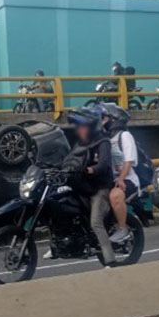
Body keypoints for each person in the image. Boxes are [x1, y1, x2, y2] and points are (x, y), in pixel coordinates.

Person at [68, 107, 117, 266]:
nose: (78, 130)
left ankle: (110, 259)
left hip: (99, 189)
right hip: (82, 187)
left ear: (91, 127)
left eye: (81, 126)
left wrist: (89, 169)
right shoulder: (78, 145)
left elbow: (103, 165)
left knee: (95, 222)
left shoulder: (103, 142)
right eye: (77, 127)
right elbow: (69, 161)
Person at [101, 105, 140, 244]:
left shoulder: (124, 136)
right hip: (110, 180)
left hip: (127, 179)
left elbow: (128, 161)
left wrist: (122, 178)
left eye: (105, 118)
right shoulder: (104, 138)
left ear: (114, 120)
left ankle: (123, 229)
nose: (102, 122)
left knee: (115, 195)